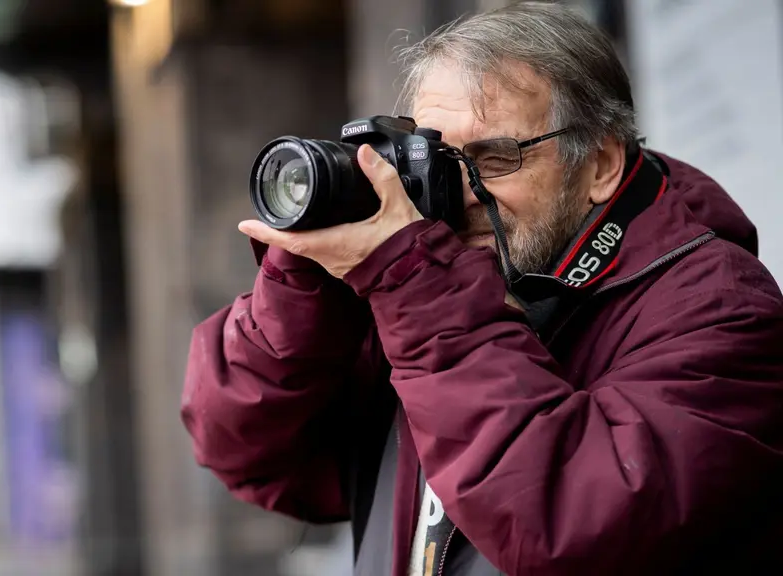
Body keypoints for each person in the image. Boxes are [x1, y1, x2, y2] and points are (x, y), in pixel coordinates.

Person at [180, 3, 783, 575]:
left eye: (494, 159)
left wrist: (412, 282)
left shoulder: (724, 311)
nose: (461, 195)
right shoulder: (421, 294)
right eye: (440, 160)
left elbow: (571, 526)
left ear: (599, 165)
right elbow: (247, 449)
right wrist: (304, 285)